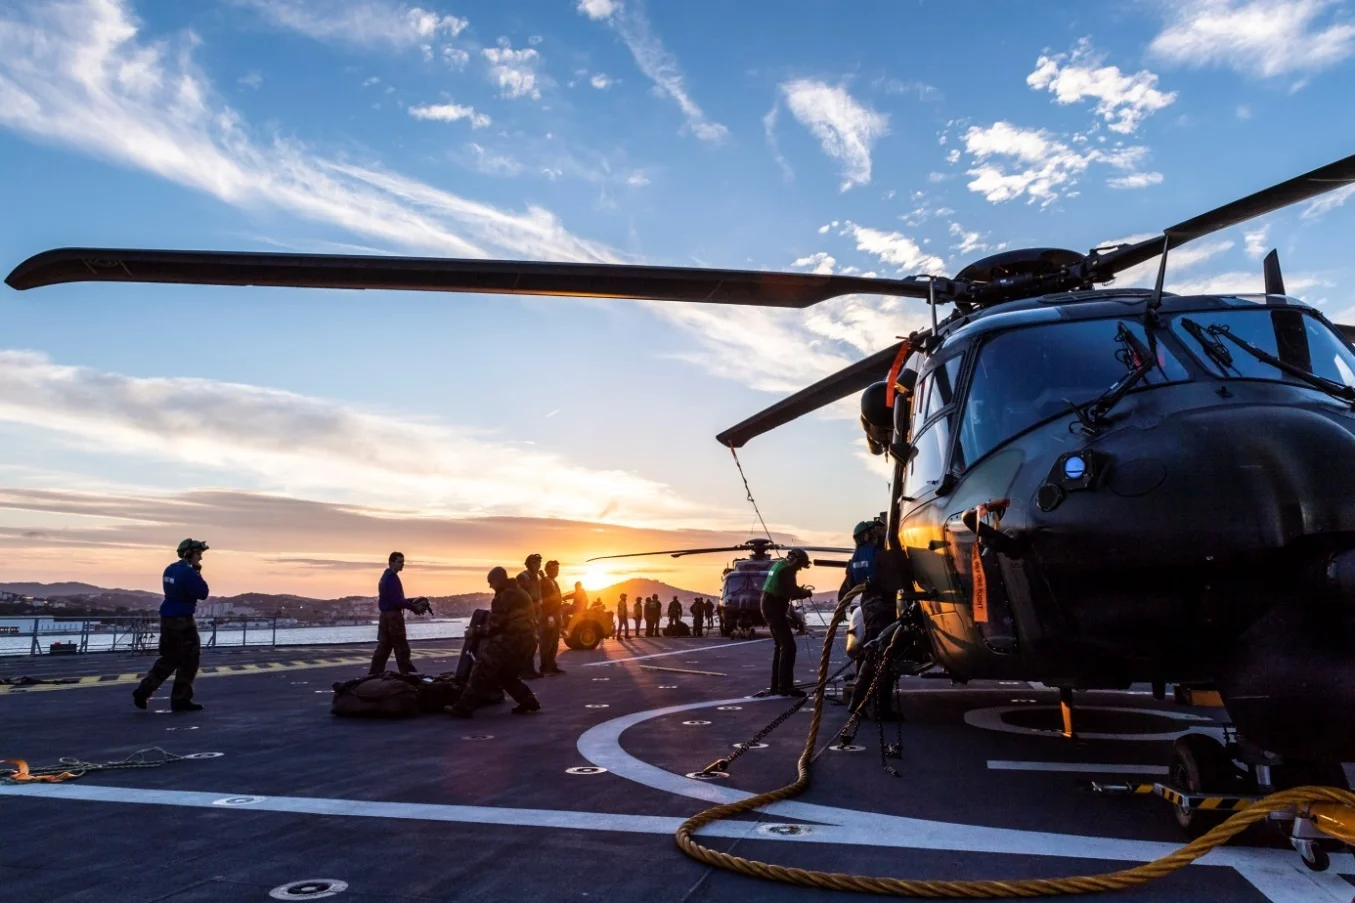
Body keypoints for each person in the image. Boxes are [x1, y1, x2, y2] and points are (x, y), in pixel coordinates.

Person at [448, 567, 541, 718]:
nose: (490, 586)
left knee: (482, 668)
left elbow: (494, 626)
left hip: (512, 640)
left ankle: (463, 707)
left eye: (491, 582)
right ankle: (528, 701)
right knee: (506, 674)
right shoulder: (521, 593)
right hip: (528, 641)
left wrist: (474, 631)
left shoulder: (503, 597)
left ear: (498, 580)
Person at [133, 538, 211, 712]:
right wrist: (197, 573)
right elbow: (203, 593)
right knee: (190, 660)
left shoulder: (170, 569)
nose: (200, 558)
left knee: (169, 658)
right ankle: (181, 699)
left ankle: (143, 690)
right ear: (189, 554)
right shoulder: (188, 573)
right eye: (198, 554)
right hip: (183, 620)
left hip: (167, 618)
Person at [761, 548, 813, 696]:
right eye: (800, 565)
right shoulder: (788, 569)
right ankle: (785, 686)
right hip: (774, 607)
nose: (799, 569)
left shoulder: (779, 565)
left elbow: (786, 588)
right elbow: (793, 592)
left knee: (781, 646)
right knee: (789, 647)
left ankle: (776, 685)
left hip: (768, 605)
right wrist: (805, 593)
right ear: (795, 560)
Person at [368, 551, 430, 676]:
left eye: (403, 562)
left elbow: (394, 599)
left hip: (384, 616)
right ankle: (409, 675)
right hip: (393, 617)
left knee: (383, 648)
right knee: (402, 649)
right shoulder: (392, 578)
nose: (402, 565)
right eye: (400, 562)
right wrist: (413, 607)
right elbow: (396, 601)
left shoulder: (385, 576)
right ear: (391, 562)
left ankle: (373, 675)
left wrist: (411, 600)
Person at [516, 554, 545, 679]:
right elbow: (519, 598)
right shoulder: (522, 577)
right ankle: (524, 671)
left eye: (538, 564)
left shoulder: (537, 578)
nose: (537, 566)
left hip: (535, 615)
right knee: (525, 645)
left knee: (533, 644)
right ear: (528, 564)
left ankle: (531, 669)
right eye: (535, 563)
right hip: (525, 616)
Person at [538, 560, 566, 675]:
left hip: (555, 614)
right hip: (548, 616)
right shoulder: (544, 582)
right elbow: (542, 601)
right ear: (549, 569)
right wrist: (549, 615)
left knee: (554, 641)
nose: (557, 571)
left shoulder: (554, 582)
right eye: (555, 569)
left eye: (558, 569)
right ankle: (544, 666)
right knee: (546, 641)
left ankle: (552, 664)